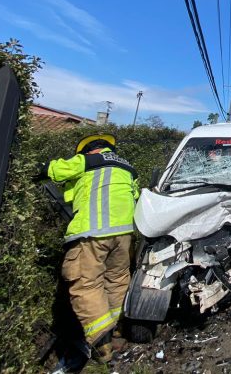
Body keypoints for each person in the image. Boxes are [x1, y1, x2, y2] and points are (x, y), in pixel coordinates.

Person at [43, 134, 139, 365]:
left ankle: (101, 343)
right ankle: (116, 331)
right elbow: (135, 195)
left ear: (87, 151)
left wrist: (43, 167)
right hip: (124, 233)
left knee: (86, 283)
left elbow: (56, 171)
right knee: (117, 279)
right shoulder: (128, 168)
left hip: (92, 234)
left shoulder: (86, 162)